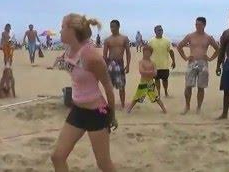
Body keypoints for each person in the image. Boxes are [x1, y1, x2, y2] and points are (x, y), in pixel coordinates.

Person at [51, 13, 117, 172]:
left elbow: (108, 86)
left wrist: (112, 115)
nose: (59, 31)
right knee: (57, 157)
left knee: (103, 164)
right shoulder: (68, 50)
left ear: (72, 31)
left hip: (97, 112)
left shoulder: (91, 57)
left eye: (62, 27)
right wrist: (60, 62)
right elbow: (67, 63)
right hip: (78, 110)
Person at [177, 17, 220, 114]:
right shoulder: (190, 36)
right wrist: (185, 57)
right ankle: (187, 106)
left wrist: (210, 58)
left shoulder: (208, 37)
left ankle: (199, 107)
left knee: (201, 86)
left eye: (199, 24)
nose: (197, 26)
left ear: (204, 25)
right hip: (192, 62)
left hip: (203, 63)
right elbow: (179, 46)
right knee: (188, 85)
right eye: (196, 24)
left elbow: (218, 49)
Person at [127, 45, 167, 114]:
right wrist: (150, 72)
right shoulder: (141, 62)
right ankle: (129, 109)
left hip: (151, 83)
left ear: (151, 53)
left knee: (156, 97)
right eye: (145, 52)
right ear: (143, 52)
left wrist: (148, 72)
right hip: (143, 83)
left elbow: (155, 73)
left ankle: (164, 110)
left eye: (148, 52)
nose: (147, 54)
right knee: (137, 97)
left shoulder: (153, 63)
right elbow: (141, 71)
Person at [103, 20, 131, 109]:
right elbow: (104, 55)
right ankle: (110, 105)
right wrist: (105, 66)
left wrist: (128, 65)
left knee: (121, 85)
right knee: (109, 86)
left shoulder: (124, 38)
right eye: (111, 26)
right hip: (110, 63)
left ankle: (122, 105)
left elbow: (128, 52)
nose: (112, 29)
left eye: (114, 26)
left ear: (118, 27)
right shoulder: (107, 40)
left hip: (120, 63)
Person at [149, 25, 176, 97]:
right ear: (155, 31)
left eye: (161, 30)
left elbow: (171, 51)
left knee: (165, 80)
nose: (160, 31)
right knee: (157, 80)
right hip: (155, 65)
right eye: (159, 30)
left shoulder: (167, 41)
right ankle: (158, 93)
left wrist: (173, 61)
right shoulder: (151, 41)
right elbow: (148, 52)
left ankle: (166, 91)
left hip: (164, 65)